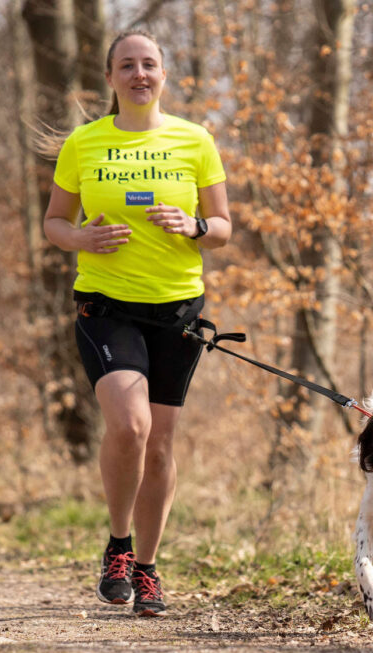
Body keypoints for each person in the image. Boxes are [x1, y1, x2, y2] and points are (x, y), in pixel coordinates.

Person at [42, 29, 231, 617]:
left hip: (177, 309)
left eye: (149, 64)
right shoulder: (85, 143)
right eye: (128, 65)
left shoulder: (195, 140)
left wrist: (194, 225)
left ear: (164, 76)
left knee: (162, 443)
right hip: (106, 305)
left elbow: (223, 227)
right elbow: (53, 223)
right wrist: (82, 236)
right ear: (111, 77)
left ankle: (147, 568)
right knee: (131, 428)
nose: (139, 74)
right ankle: (118, 545)